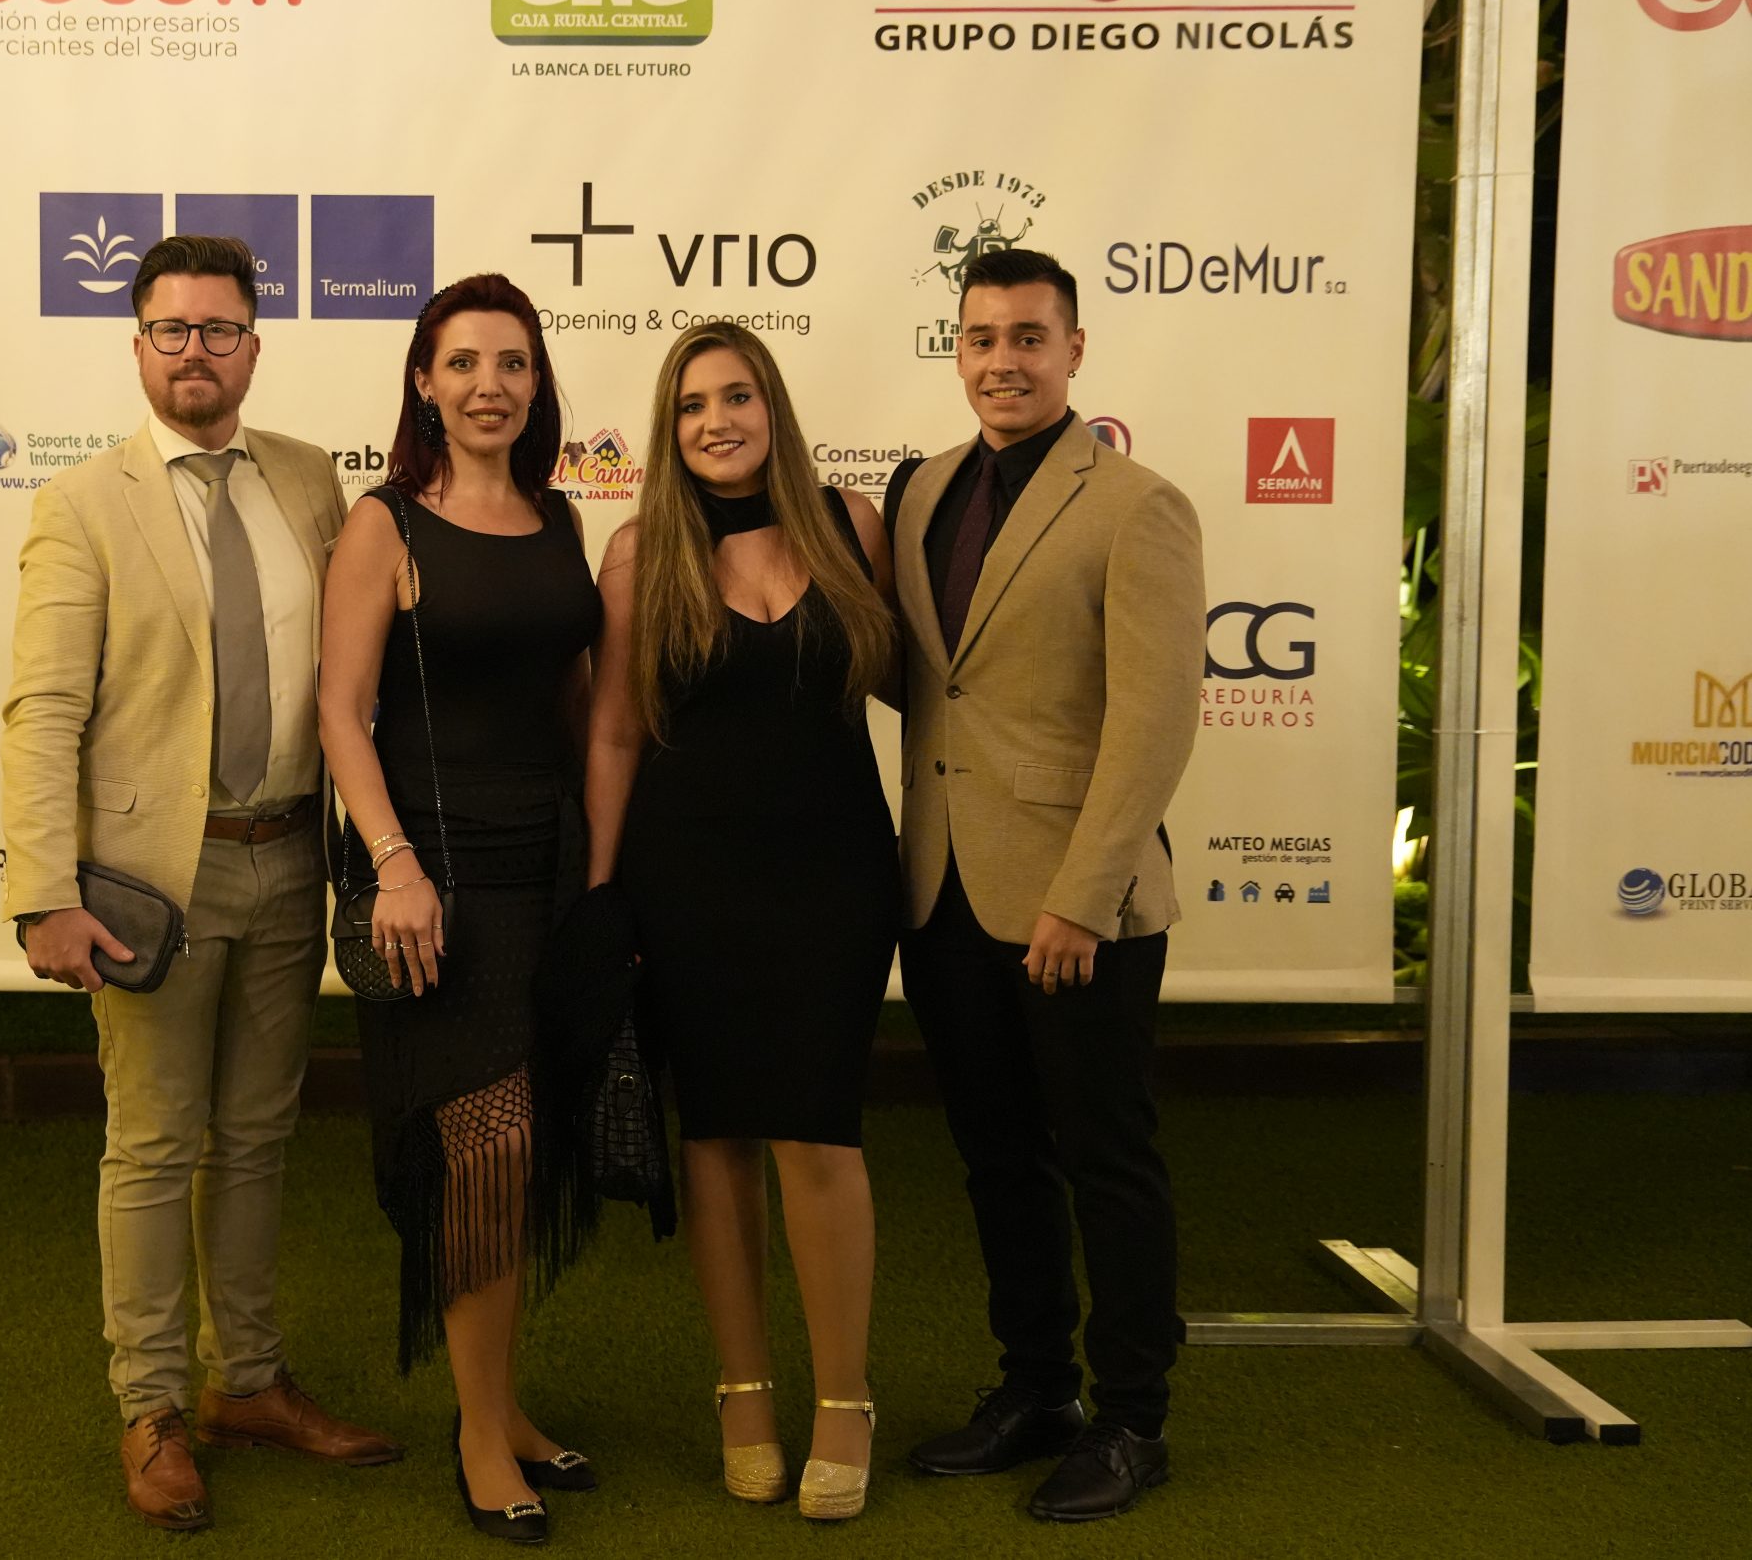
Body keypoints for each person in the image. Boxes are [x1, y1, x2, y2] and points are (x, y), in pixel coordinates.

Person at [0, 234, 399, 1533]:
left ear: (253, 346)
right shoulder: (82, 503)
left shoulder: (310, 478)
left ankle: (253, 1383)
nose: (195, 352)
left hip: (289, 859)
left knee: (258, 1139)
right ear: (137, 346)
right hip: (147, 886)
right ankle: (154, 1407)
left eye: (219, 330)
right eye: (171, 330)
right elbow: (42, 710)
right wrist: (41, 892)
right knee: (155, 1143)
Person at [882, 246, 1203, 1521]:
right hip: (942, 889)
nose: (1002, 361)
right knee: (996, 1160)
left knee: (1106, 1159)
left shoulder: (1136, 504)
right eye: (981, 338)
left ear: (1073, 350)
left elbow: (1152, 723)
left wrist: (1083, 895)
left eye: (1027, 337)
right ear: (956, 350)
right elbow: (932, 679)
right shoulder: (920, 491)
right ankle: (1035, 1389)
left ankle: (1132, 1419)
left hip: (1079, 903)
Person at [582, 321, 901, 1521]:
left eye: (736, 396)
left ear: (773, 408)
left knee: (818, 1134)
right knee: (715, 1136)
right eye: (691, 405)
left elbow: (913, 684)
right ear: (668, 430)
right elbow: (615, 733)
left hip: (836, 877)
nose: (716, 421)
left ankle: (846, 1400)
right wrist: (605, 895)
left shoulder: (850, 524)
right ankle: (744, 1393)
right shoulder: (637, 553)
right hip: (689, 878)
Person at [316, 273, 600, 1545]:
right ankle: (481, 1433)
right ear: (425, 384)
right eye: (465, 363)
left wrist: (606, 861)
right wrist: (393, 865)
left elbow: (580, 702)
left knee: (526, 1147)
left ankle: (504, 1403)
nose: (491, 384)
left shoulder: (560, 517)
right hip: (435, 882)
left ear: (537, 383)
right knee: (482, 1150)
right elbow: (341, 711)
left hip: (548, 868)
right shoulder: (384, 523)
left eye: (514, 362)